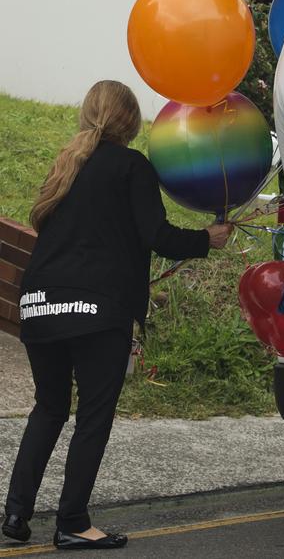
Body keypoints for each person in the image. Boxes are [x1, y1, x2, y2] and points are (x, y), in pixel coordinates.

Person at [1, 80, 232, 550]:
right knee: (93, 413)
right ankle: (73, 522)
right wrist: (206, 239)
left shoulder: (67, 163)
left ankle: (15, 515)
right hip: (94, 309)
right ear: (131, 121)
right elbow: (156, 234)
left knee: (48, 408)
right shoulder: (131, 165)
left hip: (40, 304)